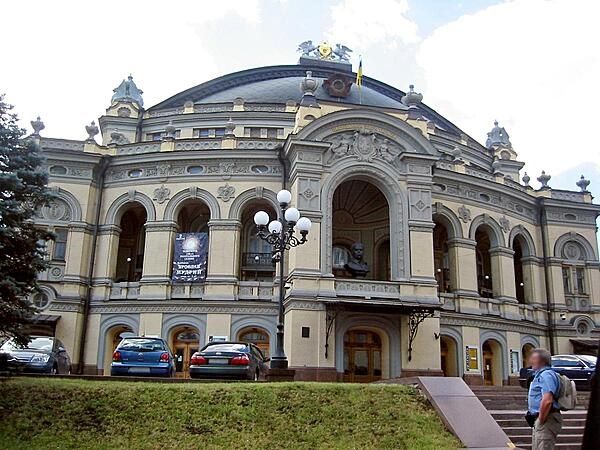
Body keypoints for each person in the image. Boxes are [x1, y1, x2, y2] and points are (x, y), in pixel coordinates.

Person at [526, 348, 563, 449]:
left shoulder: (546, 375)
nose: (531, 361)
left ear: (542, 361)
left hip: (546, 418)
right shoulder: (541, 375)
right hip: (543, 418)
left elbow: (547, 400)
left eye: (534, 358)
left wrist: (541, 420)